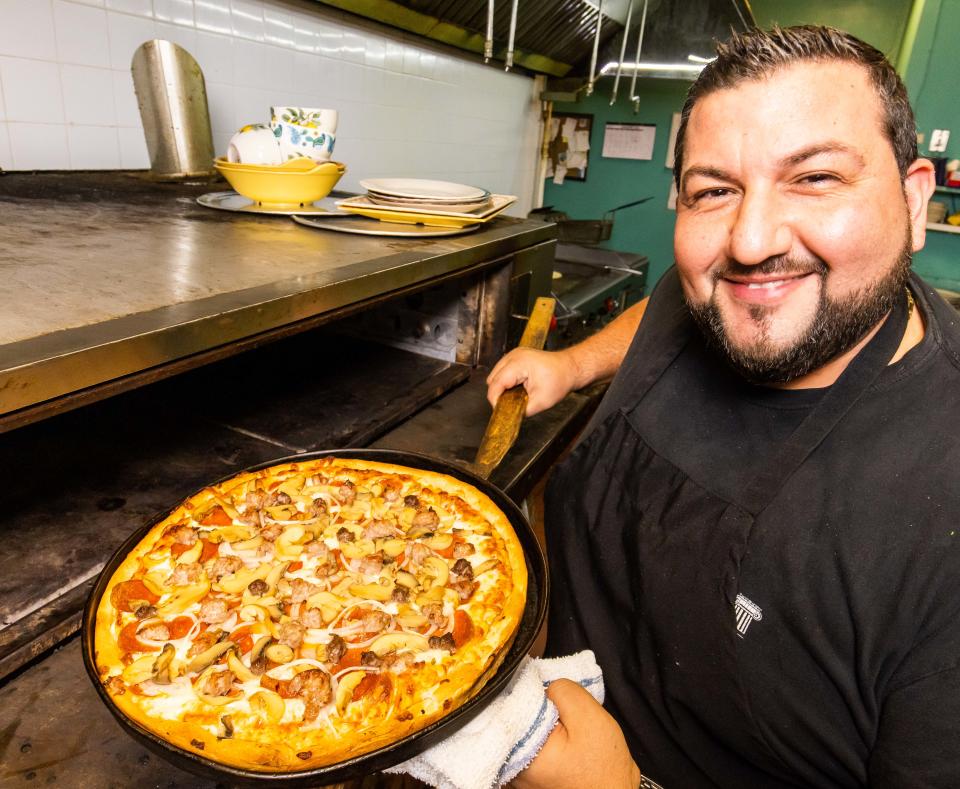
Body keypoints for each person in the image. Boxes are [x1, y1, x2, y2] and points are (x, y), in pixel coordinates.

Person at [491, 25, 960, 789]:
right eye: (714, 191)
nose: (747, 242)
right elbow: (671, 299)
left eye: (814, 179)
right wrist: (573, 363)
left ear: (913, 199)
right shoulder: (717, 287)